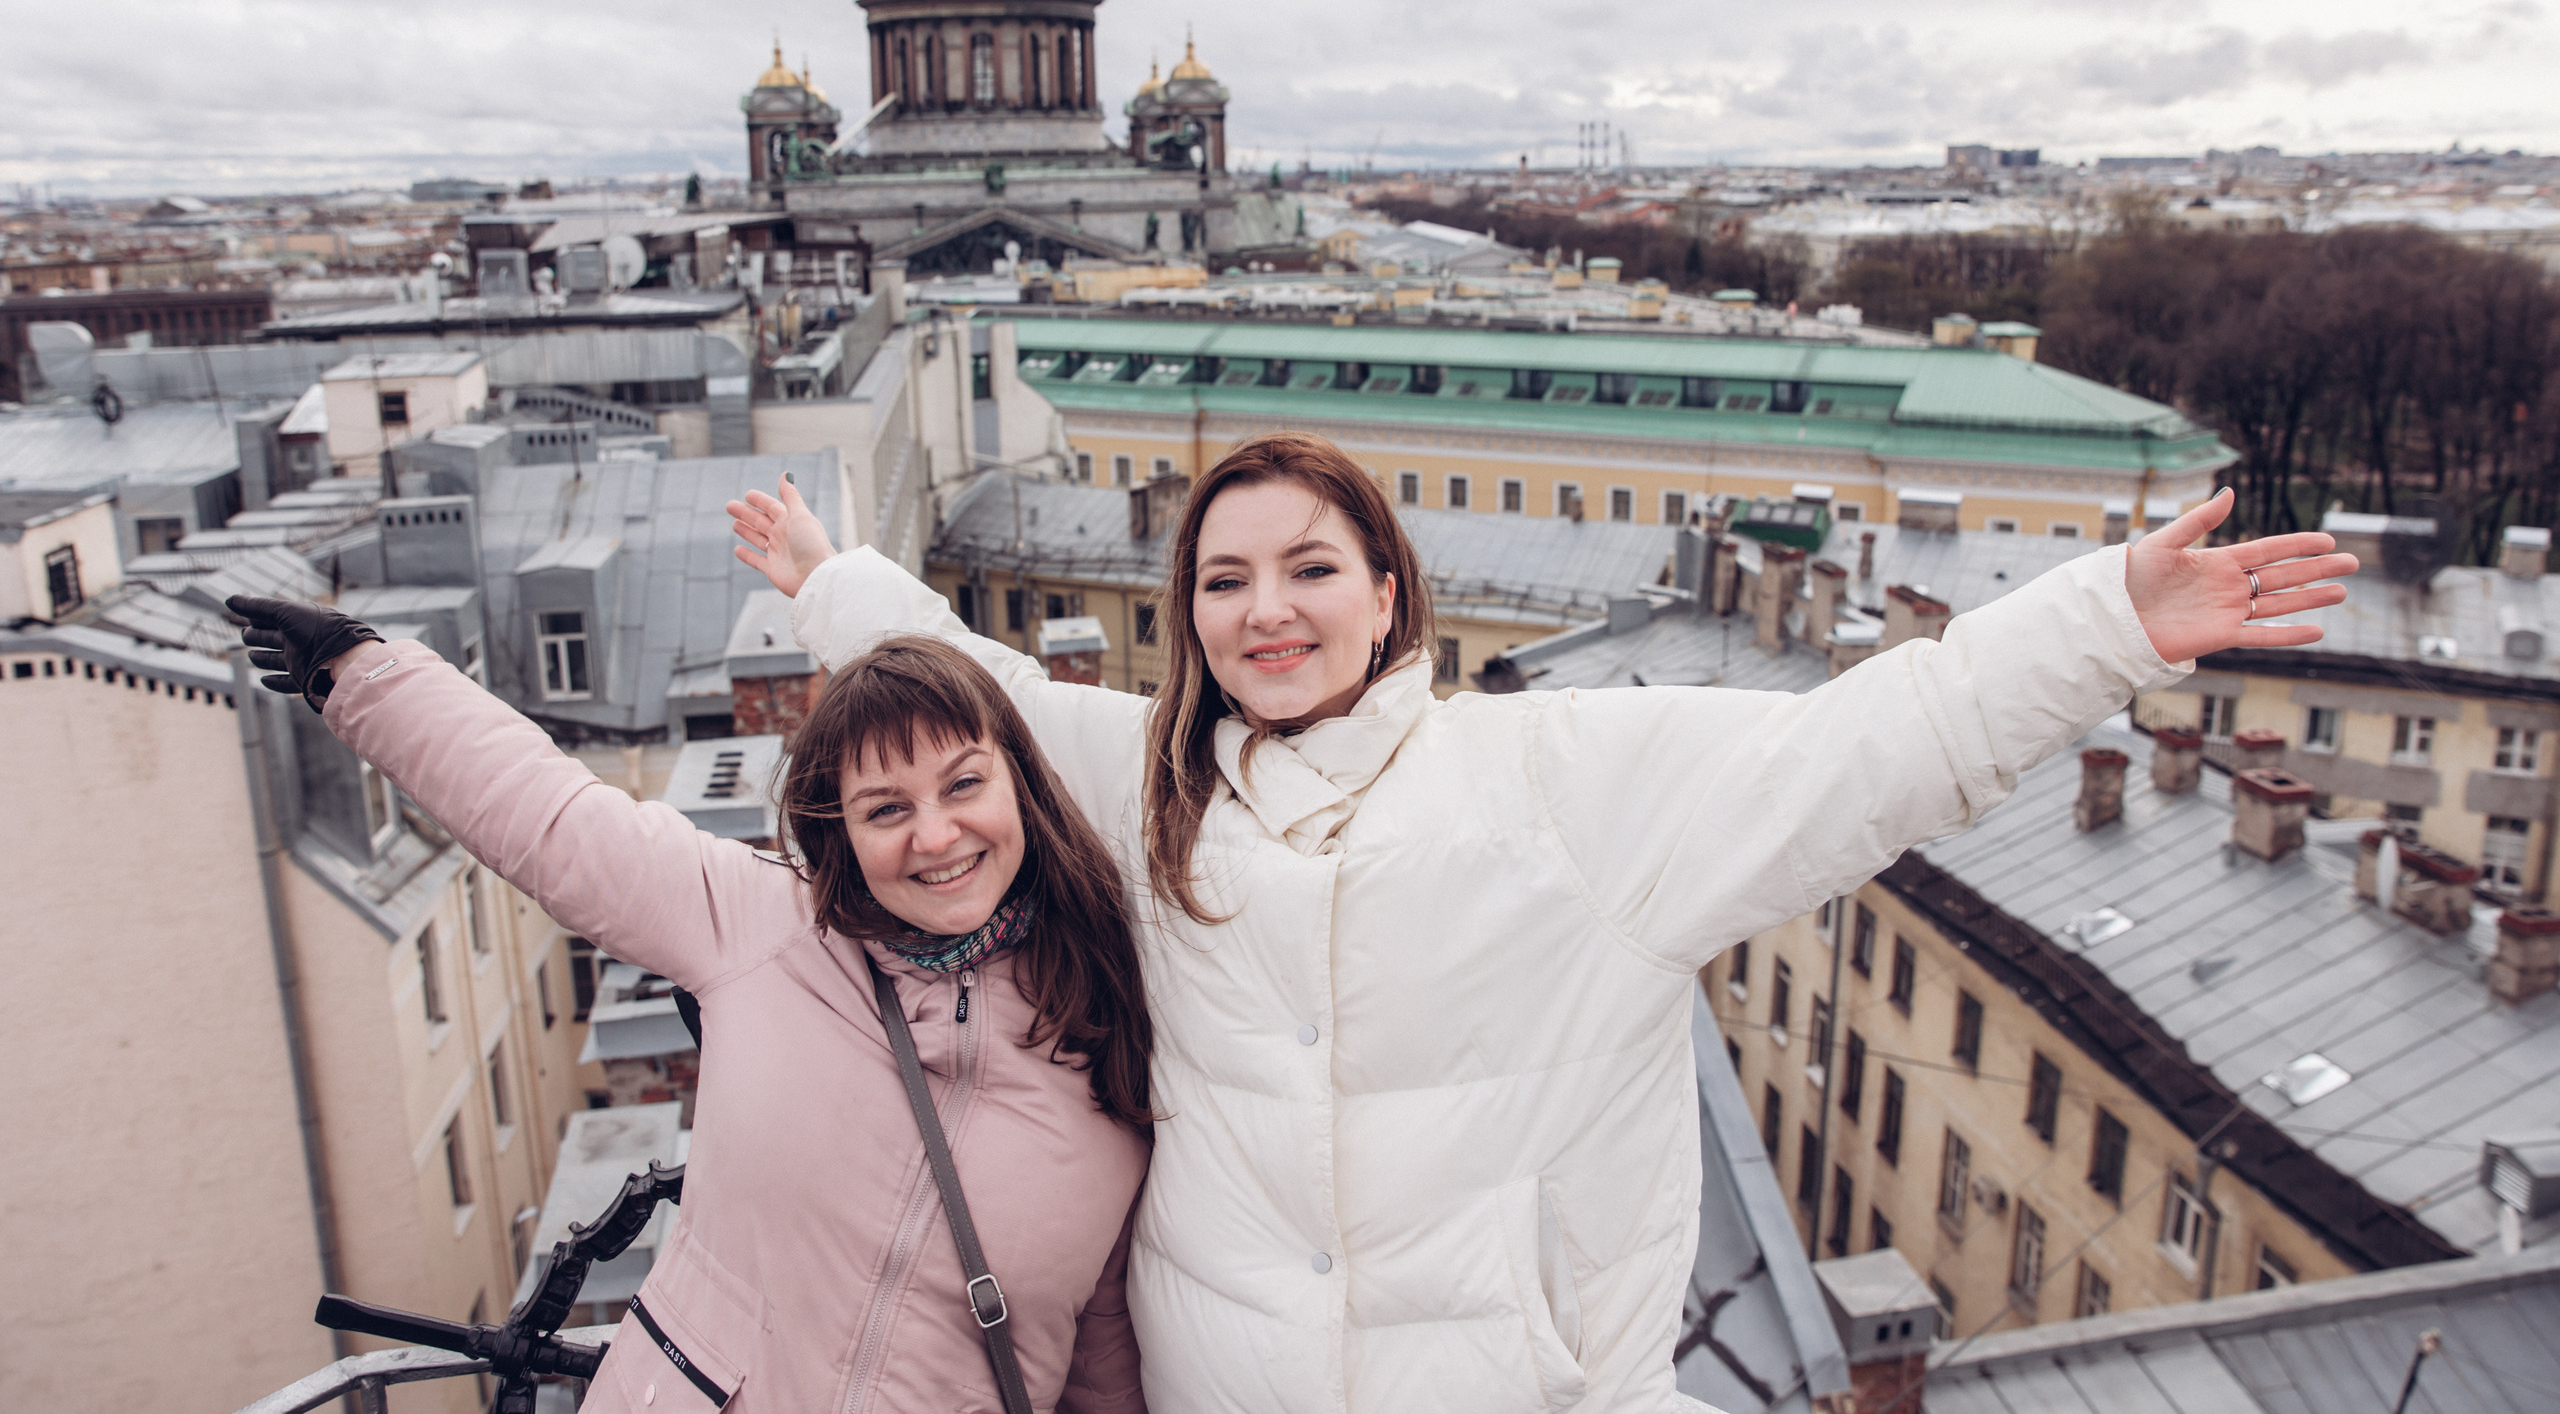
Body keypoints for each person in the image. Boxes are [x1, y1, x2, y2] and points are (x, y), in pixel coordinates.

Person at [729, 434, 2352, 1414]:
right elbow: (985, 687)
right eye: (1224, 581)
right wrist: (827, 582)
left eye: (1310, 567)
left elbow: (1856, 750)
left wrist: (2102, 624)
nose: (1265, 609)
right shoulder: (1150, 787)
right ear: (1190, 616)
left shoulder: (1564, 781)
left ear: (1389, 593)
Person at [227, 599, 1154, 1414]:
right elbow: (554, 820)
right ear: (840, 830)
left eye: (963, 784)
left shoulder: (1102, 1033)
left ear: (1017, 784)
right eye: (885, 808)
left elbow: (1101, 1360)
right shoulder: (765, 926)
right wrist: (366, 672)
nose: (937, 834)